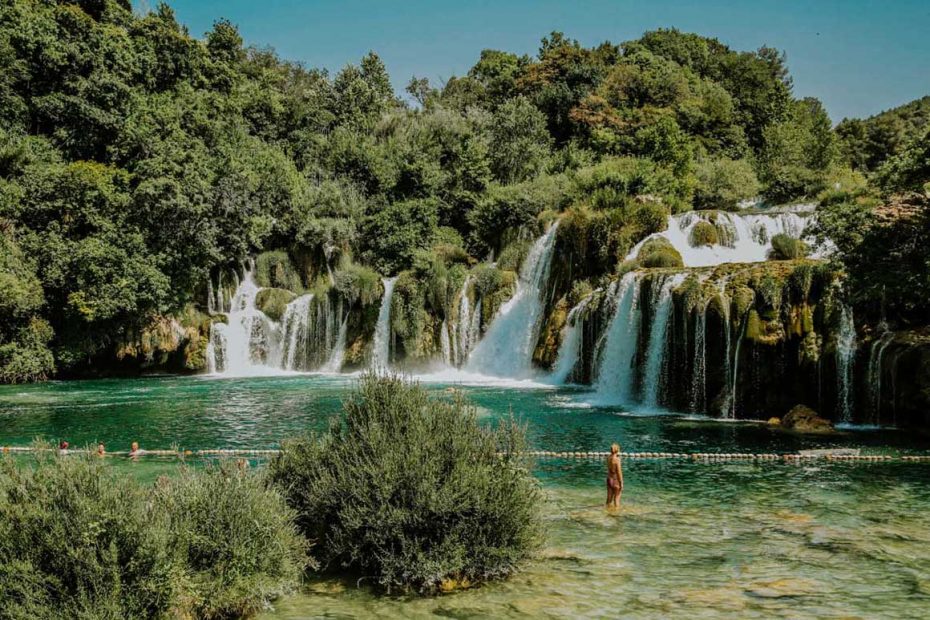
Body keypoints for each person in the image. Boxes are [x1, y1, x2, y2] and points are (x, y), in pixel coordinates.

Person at [606, 443, 624, 508]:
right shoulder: (617, 460)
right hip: (615, 480)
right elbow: (619, 472)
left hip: (609, 479)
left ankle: (606, 511)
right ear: (617, 450)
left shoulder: (608, 458)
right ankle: (616, 514)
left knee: (609, 499)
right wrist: (621, 483)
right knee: (616, 499)